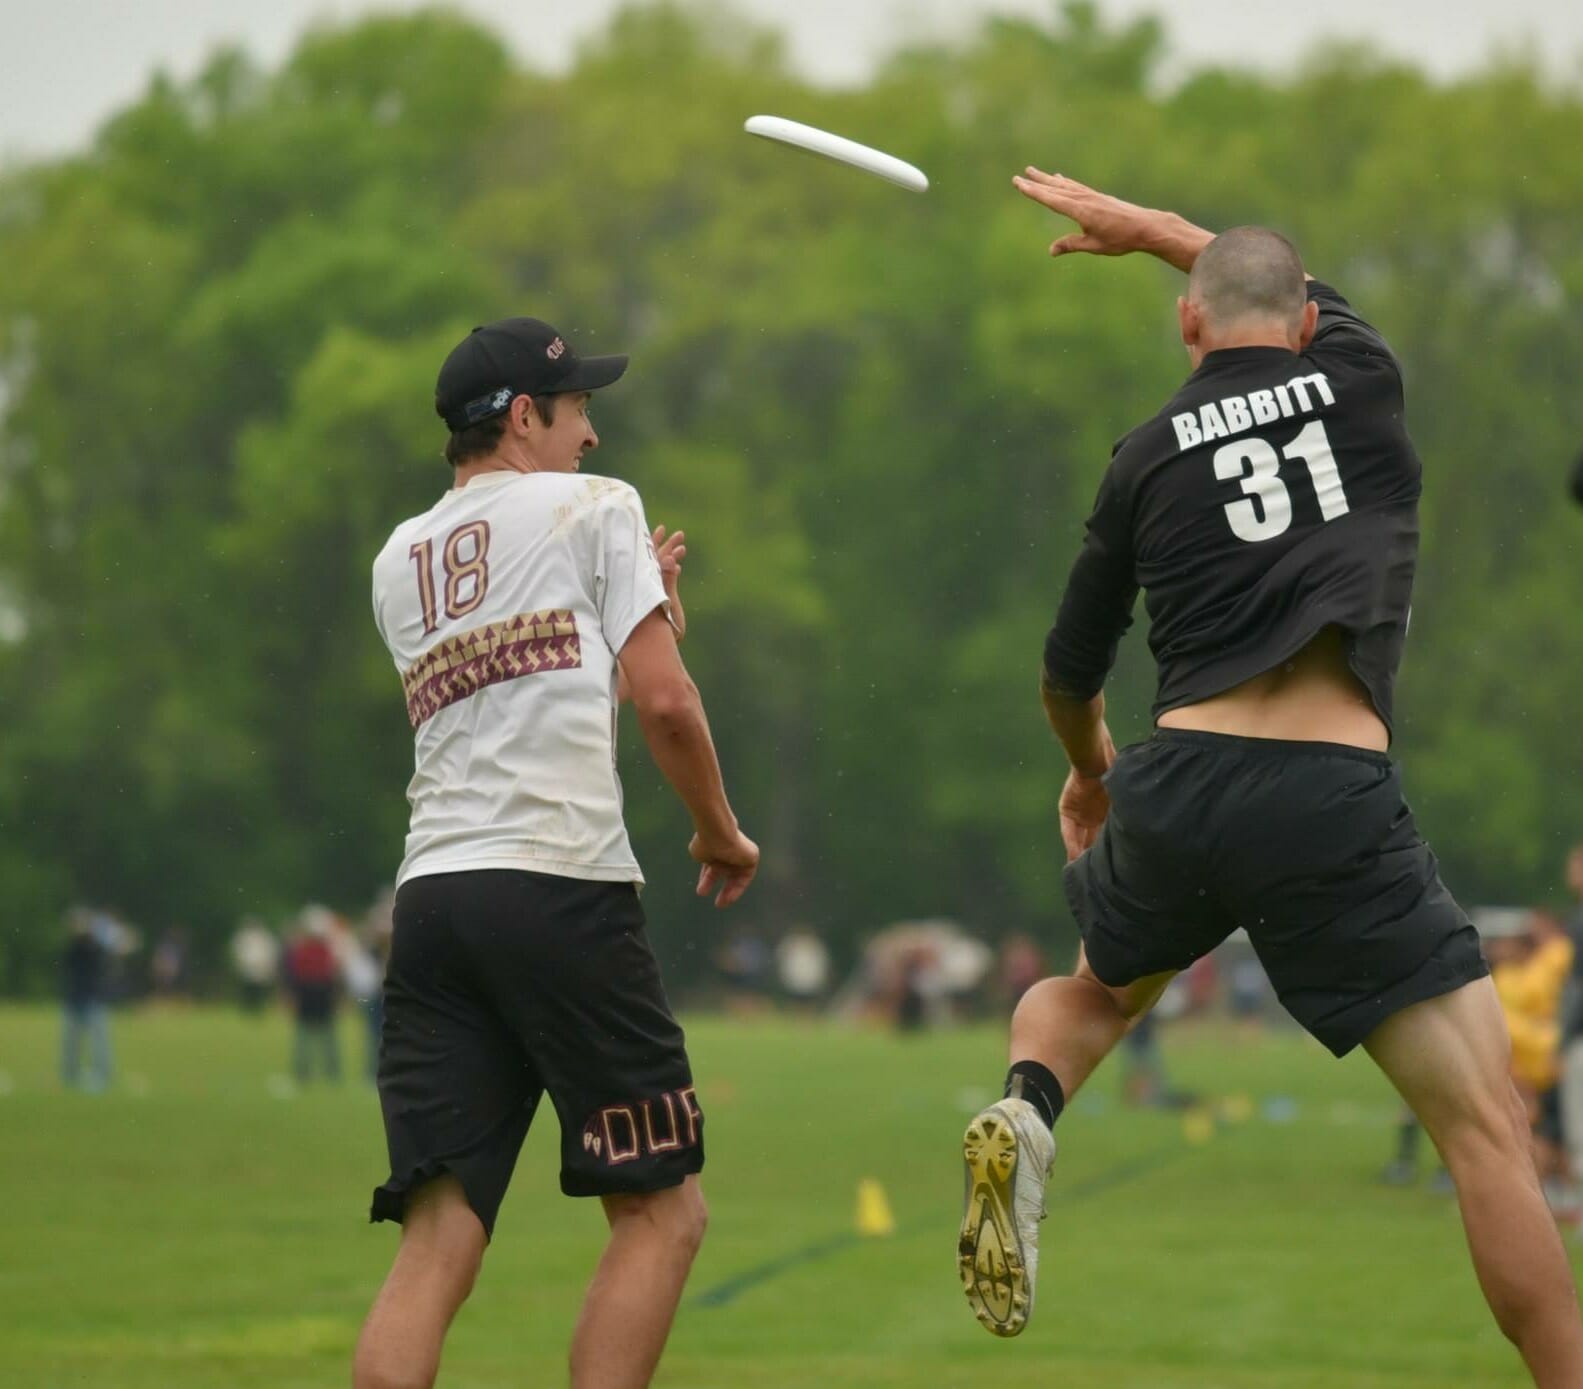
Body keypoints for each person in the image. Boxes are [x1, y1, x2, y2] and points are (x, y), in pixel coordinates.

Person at [955, 169, 1583, 1384]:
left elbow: (1065, 669)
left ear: (1188, 328)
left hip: (1179, 782)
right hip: (1325, 792)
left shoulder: (1139, 459)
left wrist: (1089, 775)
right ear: (1301, 320)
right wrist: (1155, 234)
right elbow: (1273, 281)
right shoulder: (1359, 376)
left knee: (1078, 1004)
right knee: (1485, 1136)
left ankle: (1026, 1111)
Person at [354, 315, 758, 1389]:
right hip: (558, 888)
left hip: (434, 902)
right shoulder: (596, 506)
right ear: (524, 416)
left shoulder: (399, 558)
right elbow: (666, 704)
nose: (589, 436)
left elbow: (539, 702)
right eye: (577, 410)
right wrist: (720, 829)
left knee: (438, 1239)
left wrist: (642, 617)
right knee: (661, 1210)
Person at [283, 905, 342, 1084]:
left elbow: (295, 975)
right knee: (325, 1037)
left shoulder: (302, 950)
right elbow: (332, 975)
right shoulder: (324, 950)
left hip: (308, 995)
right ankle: (331, 1073)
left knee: (306, 1037)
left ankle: (305, 1073)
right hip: (322, 995)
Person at [61, 908, 114, 1091]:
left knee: (99, 1041)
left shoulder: (94, 946)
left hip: (92, 998)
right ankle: (70, 1074)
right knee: (71, 1041)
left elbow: (97, 956)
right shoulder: (74, 946)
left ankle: (102, 1073)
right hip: (74, 998)